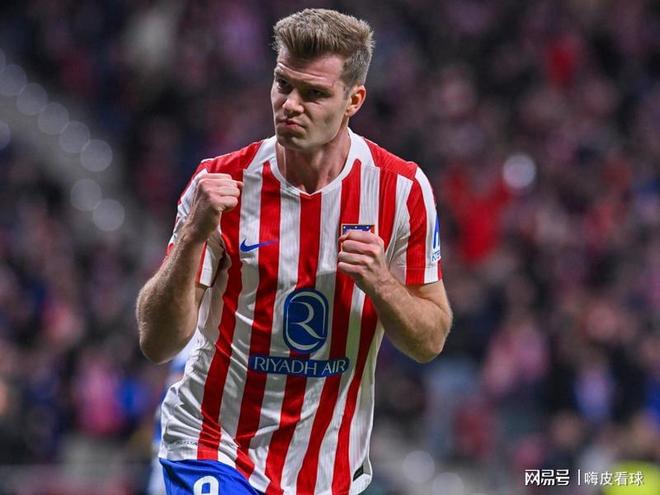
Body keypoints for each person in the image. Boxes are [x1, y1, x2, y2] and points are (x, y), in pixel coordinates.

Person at [136, 8, 452, 495]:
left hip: (326, 471)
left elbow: (429, 341)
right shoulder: (221, 183)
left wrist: (381, 283)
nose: (290, 104)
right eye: (283, 84)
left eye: (314, 93)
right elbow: (157, 343)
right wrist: (193, 237)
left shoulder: (401, 190)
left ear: (353, 100)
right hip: (213, 446)